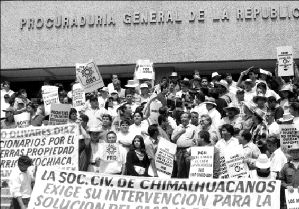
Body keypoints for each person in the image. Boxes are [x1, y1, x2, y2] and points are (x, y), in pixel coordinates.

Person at [171, 112, 197, 178]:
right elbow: (172, 139)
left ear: (189, 118)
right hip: (179, 151)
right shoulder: (177, 128)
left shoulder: (194, 128)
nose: (183, 119)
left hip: (189, 151)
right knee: (180, 169)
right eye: (182, 117)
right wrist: (180, 132)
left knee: (190, 168)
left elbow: (196, 140)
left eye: (185, 117)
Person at [278, 144, 299, 209]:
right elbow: (280, 180)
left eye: (297, 152)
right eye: (293, 152)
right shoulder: (286, 166)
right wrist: (287, 186)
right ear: (291, 153)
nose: (295, 153)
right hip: (291, 198)